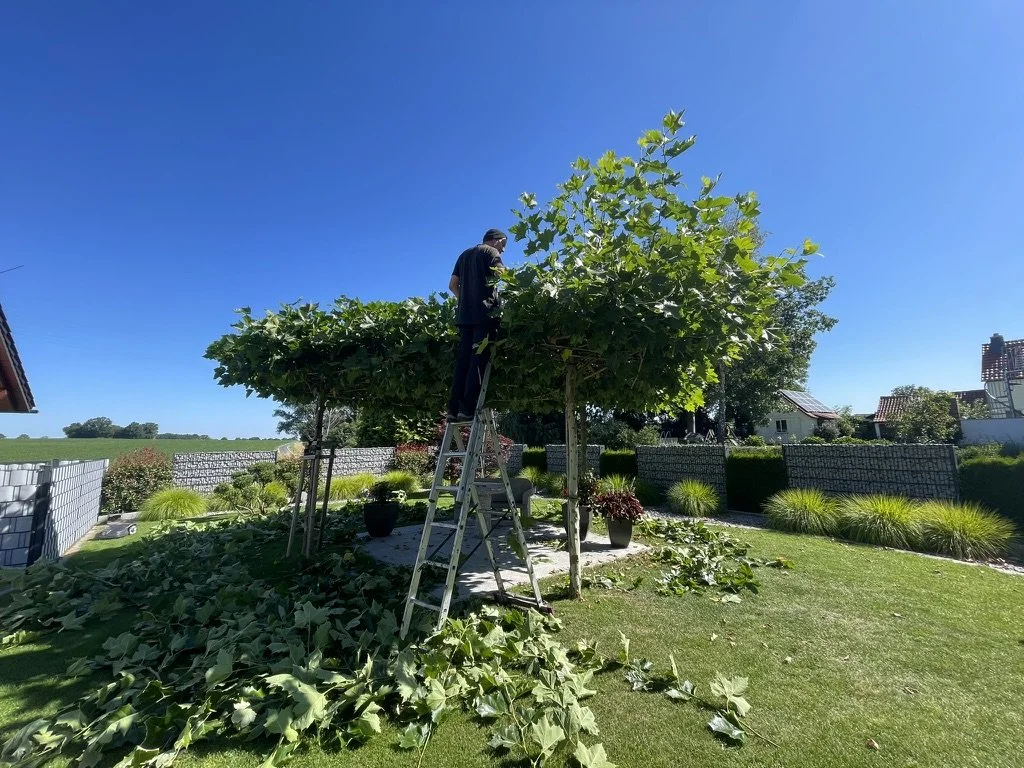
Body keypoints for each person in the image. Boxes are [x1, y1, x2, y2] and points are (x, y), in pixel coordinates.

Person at [447, 228, 507, 420]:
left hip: (465, 317)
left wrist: (465, 300)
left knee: (463, 362)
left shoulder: (464, 255)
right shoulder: (491, 252)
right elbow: (502, 274)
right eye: (503, 244)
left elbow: (452, 285)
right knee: (478, 360)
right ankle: (467, 409)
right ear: (495, 240)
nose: (503, 250)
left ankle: (452, 410)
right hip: (485, 315)